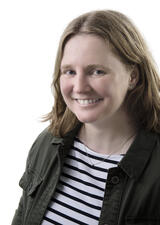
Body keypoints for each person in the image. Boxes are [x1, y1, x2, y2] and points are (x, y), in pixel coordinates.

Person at [12, 9, 160, 225]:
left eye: (97, 71)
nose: (79, 87)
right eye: (69, 72)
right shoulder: (47, 144)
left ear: (133, 76)